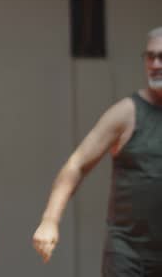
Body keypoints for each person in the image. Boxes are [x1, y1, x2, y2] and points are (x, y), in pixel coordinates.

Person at [33, 27, 162, 276]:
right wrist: (49, 221)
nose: (155, 64)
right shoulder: (126, 113)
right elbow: (76, 165)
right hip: (129, 254)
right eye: (150, 56)